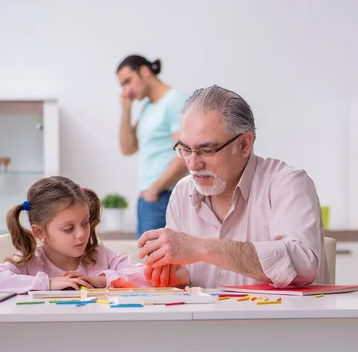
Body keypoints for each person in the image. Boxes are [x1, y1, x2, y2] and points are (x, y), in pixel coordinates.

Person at [137, 85, 329, 289]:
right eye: (185, 149)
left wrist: (201, 247)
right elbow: (187, 283)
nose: (192, 164)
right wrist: (180, 279)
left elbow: (303, 264)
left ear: (244, 144)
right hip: (207, 321)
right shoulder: (183, 192)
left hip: (278, 320)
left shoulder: (287, 184)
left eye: (207, 150)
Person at [0, 176, 152, 293]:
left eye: (85, 223)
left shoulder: (100, 255)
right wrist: (48, 283)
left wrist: (101, 280)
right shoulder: (31, 262)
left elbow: (148, 276)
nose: (81, 234)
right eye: (68, 228)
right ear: (39, 232)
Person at [116, 55, 189, 239]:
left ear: (145, 72)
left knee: (156, 262)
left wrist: (155, 190)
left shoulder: (174, 101)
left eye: (128, 81)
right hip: (149, 198)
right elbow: (127, 148)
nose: (127, 90)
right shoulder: (148, 107)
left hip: (164, 195)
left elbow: (185, 153)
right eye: (123, 86)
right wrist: (126, 108)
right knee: (147, 263)